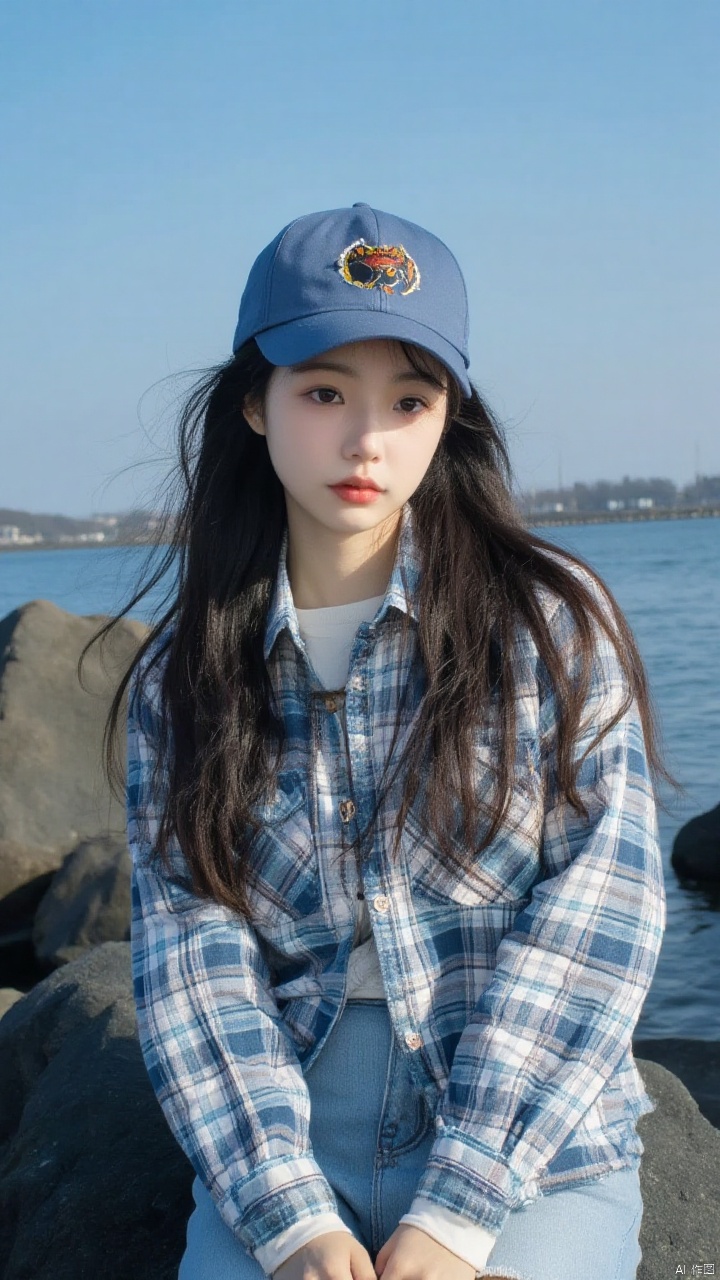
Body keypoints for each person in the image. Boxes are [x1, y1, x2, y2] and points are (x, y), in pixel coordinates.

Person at [109, 202, 667, 1280]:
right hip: (287, 1129)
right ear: (255, 407)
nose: (367, 440)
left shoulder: (549, 622)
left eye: (409, 400)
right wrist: (288, 1218)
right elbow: (192, 959)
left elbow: (605, 908)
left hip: (532, 1142)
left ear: (447, 415)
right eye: (324, 392)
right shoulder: (185, 677)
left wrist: (461, 1210)